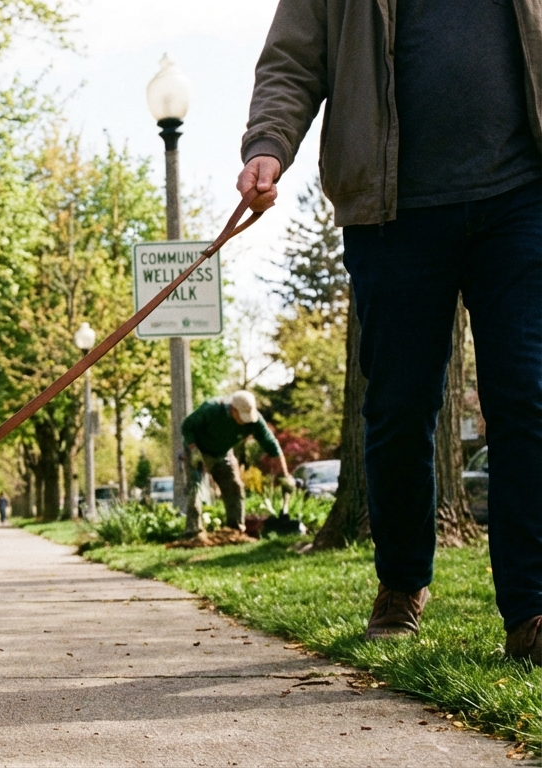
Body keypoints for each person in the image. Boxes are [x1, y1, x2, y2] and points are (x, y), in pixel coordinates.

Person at [241, 0, 542, 651]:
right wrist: (269, 143)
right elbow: (292, 58)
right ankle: (403, 581)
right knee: (400, 408)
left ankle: (531, 610)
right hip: (392, 209)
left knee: (527, 394)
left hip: (521, 196)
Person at [181, 391, 289, 533]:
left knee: (234, 486)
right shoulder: (212, 409)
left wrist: (285, 475)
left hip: (222, 452)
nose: (247, 421)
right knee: (195, 489)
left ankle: (235, 530)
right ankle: (193, 531)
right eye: (243, 417)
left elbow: (271, 444)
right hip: (197, 450)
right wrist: (193, 450)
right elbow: (186, 426)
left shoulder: (254, 421)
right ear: (232, 410)